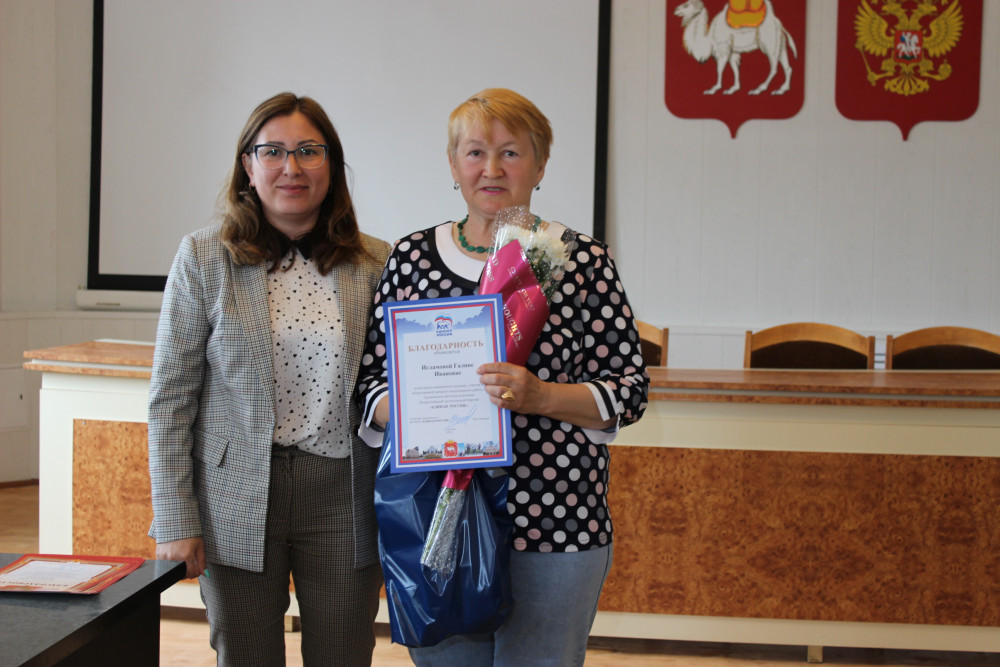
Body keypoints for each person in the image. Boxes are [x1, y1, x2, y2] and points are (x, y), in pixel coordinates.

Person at [356, 88, 649, 666]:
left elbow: (628, 391)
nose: (491, 169)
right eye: (475, 152)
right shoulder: (411, 258)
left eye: (511, 153)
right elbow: (370, 388)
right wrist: (426, 406)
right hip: (435, 515)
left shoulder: (579, 260)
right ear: (453, 165)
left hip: (555, 519)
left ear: (540, 165)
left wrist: (540, 396)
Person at [148, 92, 390, 666]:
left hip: (343, 494)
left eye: (309, 150)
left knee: (343, 654)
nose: (292, 167)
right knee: (246, 654)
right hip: (234, 493)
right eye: (273, 151)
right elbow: (170, 400)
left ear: (331, 164)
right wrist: (176, 517)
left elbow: (391, 382)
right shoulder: (203, 258)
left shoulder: (375, 262)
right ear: (248, 166)